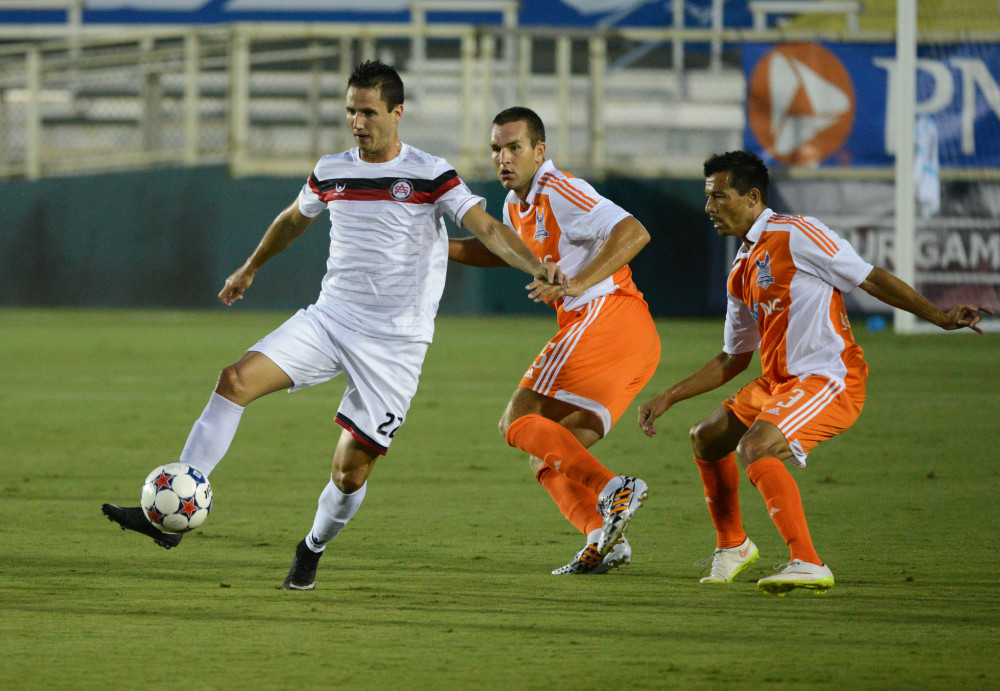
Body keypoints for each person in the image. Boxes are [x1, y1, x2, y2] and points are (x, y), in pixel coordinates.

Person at [102, 60, 563, 590]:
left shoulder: (431, 174)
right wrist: (251, 267)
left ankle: (311, 548)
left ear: (397, 112)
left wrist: (535, 264)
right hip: (329, 319)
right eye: (350, 111)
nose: (357, 122)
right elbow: (294, 219)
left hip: (395, 345)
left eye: (368, 111)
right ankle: (173, 510)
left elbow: (486, 226)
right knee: (233, 381)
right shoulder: (332, 170)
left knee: (350, 475)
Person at [637, 149, 991, 595]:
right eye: (707, 198)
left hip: (829, 377)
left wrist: (938, 316)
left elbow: (869, 277)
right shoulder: (740, 269)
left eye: (718, 197)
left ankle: (807, 561)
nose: (709, 208)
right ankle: (733, 546)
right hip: (777, 381)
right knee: (707, 437)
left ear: (751, 197)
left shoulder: (797, 234)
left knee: (757, 446)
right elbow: (734, 357)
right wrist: (668, 396)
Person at [448, 107, 661, 574]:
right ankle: (603, 538)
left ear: (539, 150)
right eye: (496, 149)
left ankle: (614, 490)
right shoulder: (512, 205)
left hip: (605, 315)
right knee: (549, 452)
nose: (503, 158)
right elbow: (505, 253)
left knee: (516, 421)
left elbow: (633, 231)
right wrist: (439, 248)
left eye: (514, 147)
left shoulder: (558, 189)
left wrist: (579, 283)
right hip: (628, 336)